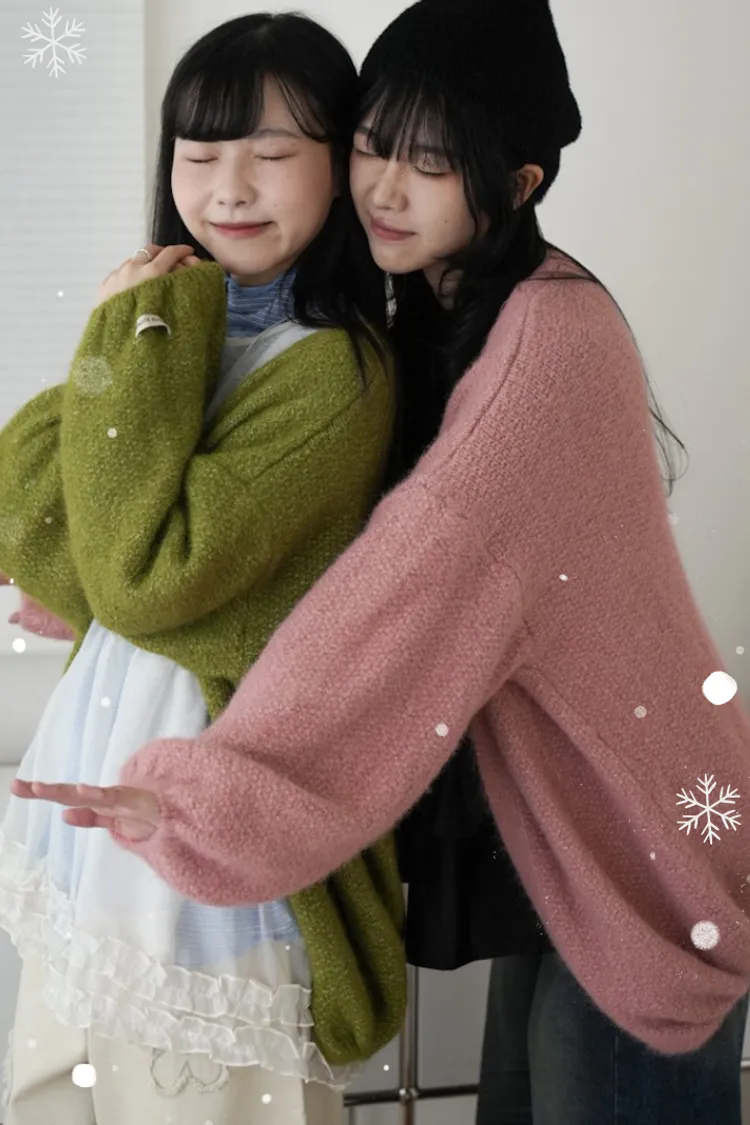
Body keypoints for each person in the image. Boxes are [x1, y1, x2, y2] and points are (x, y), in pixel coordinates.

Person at [14, 0, 750, 1122]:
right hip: (549, 830)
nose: (384, 190)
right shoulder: (428, 312)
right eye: (371, 146)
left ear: (520, 182)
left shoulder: (548, 346)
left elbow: (405, 585)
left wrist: (214, 798)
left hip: (641, 842)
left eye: (432, 163)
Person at [0, 12, 409, 1125]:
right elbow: (30, 516)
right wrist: (122, 332)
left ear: (342, 166)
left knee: (204, 1102)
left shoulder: (334, 372)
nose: (228, 187)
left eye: (272, 153)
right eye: (198, 153)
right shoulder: (173, 328)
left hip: (209, 815)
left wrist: (124, 335)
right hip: (97, 793)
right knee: (61, 1091)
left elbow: (143, 580)